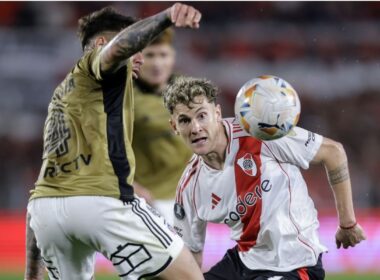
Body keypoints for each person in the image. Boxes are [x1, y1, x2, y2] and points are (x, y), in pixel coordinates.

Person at [25, 4, 204, 280]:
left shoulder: (63, 94)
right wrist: (167, 17)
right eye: (137, 49)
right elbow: (116, 49)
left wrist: (32, 274)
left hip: (46, 213)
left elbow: (41, 191)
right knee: (190, 274)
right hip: (102, 202)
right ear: (100, 44)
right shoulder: (96, 65)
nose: (140, 58)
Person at [163, 77, 367, 280]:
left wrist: (347, 224)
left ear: (217, 114)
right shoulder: (189, 187)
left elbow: (333, 152)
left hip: (295, 262)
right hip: (243, 262)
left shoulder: (260, 133)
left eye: (201, 116)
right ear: (174, 127)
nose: (195, 128)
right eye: (185, 120)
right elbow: (191, 257)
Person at [132, 28, 192, 223]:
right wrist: (128, 186)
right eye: (150, 55)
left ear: (172, 57)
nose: (157, 63)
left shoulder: (189, 90)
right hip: (147, 200)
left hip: (188, 200)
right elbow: (100, 148)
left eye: (163, 55)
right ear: (137, 59)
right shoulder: (123, 97)